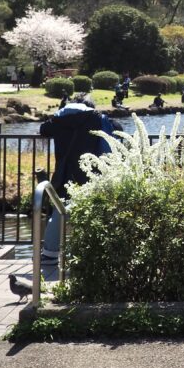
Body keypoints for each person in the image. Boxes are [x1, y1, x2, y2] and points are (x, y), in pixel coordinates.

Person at [38, 93, 121, 260]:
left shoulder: (59, 119)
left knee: (60, 211)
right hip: (90, 173)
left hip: (64, 173)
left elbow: (43, 129)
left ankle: (50, 253)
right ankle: (89, 253)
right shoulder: (96, 118)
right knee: (94, 211)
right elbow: (117, 129)